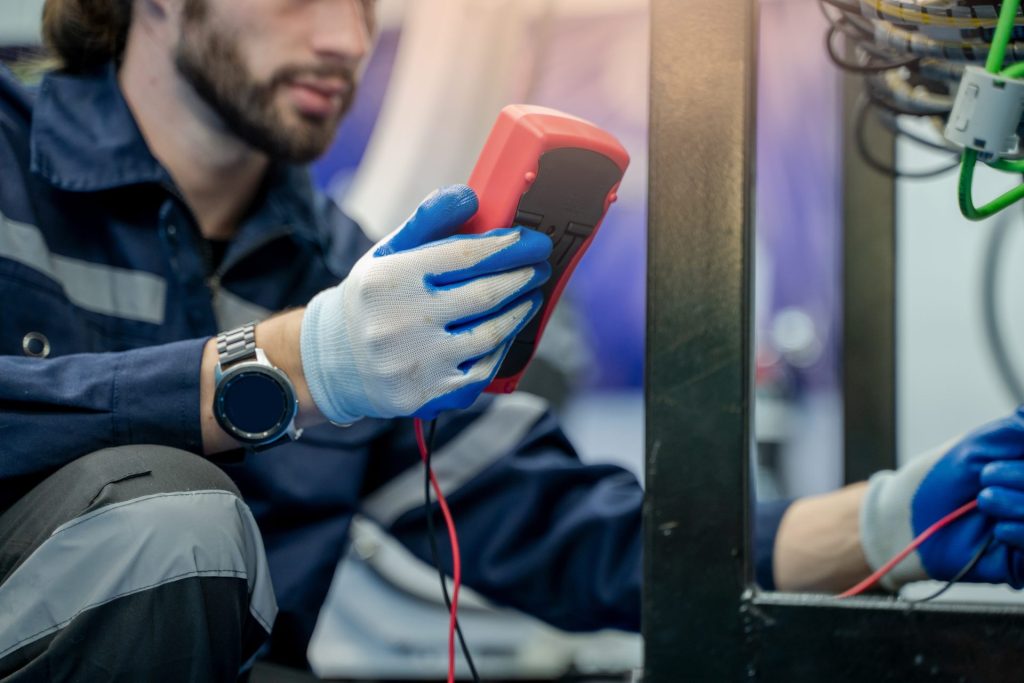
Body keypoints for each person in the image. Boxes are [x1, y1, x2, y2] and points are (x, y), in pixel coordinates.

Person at [2, 0, 1024, 680]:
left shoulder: (337, 268)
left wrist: (899, 516)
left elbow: (575, 533)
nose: (347, 41)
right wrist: (295, 366)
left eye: (364, 2)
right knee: (171, 523)